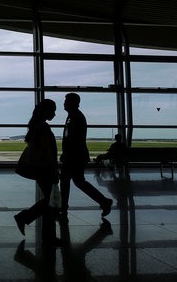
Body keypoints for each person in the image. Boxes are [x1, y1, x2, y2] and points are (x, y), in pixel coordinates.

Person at [13, 99, 65, 247]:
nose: (54, 114)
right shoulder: (42, 127)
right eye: (53, 110)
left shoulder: (36, 126)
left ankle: (29, 220)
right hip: (45, 168)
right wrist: (54, 169)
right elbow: (46, 151)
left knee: (51, 201)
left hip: (40, 167)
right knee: (52, 202)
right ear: (45, 111)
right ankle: (30, 222)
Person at [59, 93, 113, 221]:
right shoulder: (74, 116)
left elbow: (74, 139)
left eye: (66, 101)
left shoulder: (75, 117)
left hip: (74, 156)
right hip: (76, 155)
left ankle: (63, 207)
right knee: (77, 181)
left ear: (73, 103)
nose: (64, 103)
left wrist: (66, 154)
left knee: (68, 180)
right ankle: (103, 201)